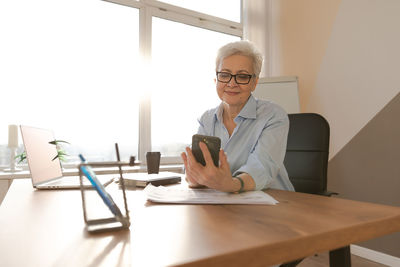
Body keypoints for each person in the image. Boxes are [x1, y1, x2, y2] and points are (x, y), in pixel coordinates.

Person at [181, 40, 294, 193]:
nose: (232, 83)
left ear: (254, 83)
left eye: (242, 76)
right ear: (216, 80)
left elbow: (262, 167)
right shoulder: (207, 119)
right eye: (225, 75)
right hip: (225, 204)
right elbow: (198, 170)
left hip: (274, 203)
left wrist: (232, 184)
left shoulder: (273, 115)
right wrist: (194, 179)